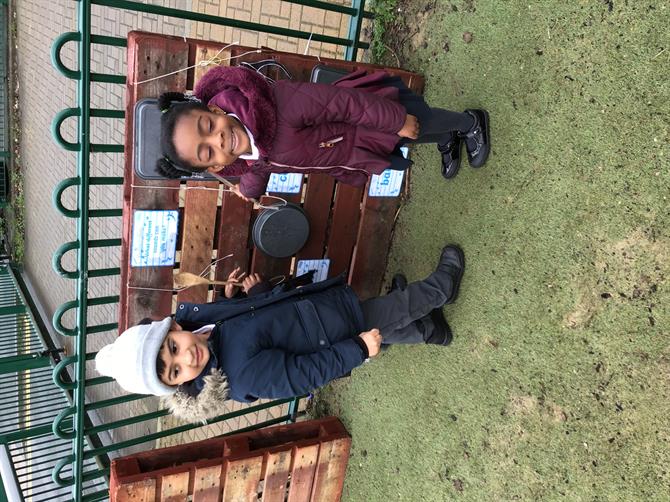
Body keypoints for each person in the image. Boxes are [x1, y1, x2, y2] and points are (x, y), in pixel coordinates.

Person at [95, 245, 465, 422]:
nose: (186, 358)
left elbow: (252, 319)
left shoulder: (205, 326)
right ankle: (441, 288)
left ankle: (428, 330)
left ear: (174, 328)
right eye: (176, 371)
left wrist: (241, 298)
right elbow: (301, 375)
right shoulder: (239, 376)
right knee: (388, 312)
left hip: (315, 315)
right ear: (178, 385)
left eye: (173, 348)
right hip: (331, 334)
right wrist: (356, 350)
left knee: (384, 320)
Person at [156, 65, 490, 199]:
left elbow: (344, 104)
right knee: (411, 138)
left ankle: (469, 123)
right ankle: (448, 138)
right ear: (215, 166)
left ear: (215, 111)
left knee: (417, 122)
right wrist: (250, 189)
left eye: (208, 126)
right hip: (351, 150)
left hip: (367, 120)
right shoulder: (249, 157)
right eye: (207, 151)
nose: (217, 139)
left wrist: (394, 119)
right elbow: (260, 166)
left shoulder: (278, 106)